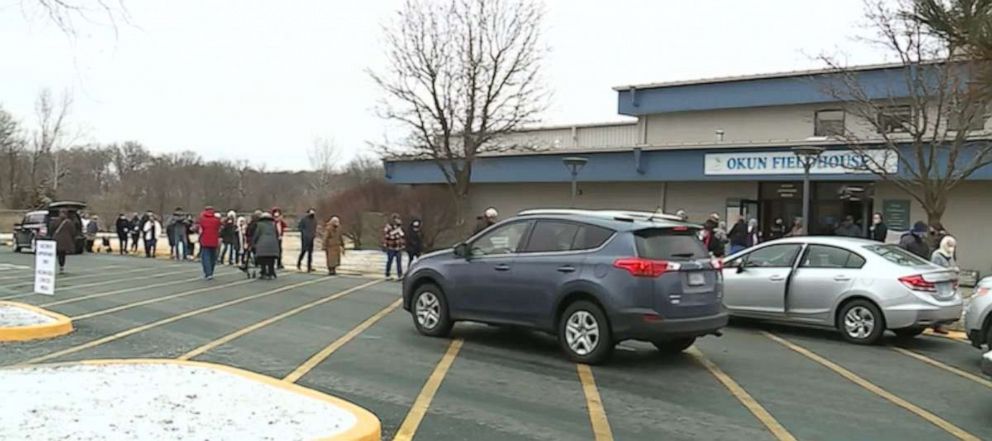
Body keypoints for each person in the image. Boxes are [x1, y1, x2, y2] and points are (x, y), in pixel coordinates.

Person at [929, 235, 958, 335]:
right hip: (940, 283)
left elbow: (953, 265)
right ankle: (936, 325)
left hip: (949, 283)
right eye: (949, 245)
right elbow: (936, 269)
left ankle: (939, 324)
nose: (951, 247)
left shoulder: (950, 255)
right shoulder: (937, 255)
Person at [197, 206, 223, 280]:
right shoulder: (216, 220)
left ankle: (207, 273)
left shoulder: (202, 219)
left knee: (205, 257)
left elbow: (200, 230)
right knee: (212, 257)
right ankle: (211, 272)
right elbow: (220, 228)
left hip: (205, 240)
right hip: (214, 240)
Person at [252, 212, 280, 280]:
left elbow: (257, 234)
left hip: (262, 244)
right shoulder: (274, 225)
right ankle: (271, 272)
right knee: (271, 260)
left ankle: (263, 272)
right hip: (273, 244)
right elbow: (277, 234)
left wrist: (253, 243)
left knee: (263, 260)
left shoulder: (260, 225)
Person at [50, 209, 78, 274]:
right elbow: (73, 232)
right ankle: (61, 266)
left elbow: (51, 229)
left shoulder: (55, 221)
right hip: (66, 241)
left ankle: (56, 265)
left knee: (56, 253)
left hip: (56, 240)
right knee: (62, 254)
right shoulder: (69, 222)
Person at [383, 213, 406, 279]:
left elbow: (402, 236)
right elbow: (387, 236)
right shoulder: (388, 227)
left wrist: (402, 244)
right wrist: (395, 232)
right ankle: (387, 274)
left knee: (399, 261)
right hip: (391, 247)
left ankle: (400, 274)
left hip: (398, 247)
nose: (398, 220)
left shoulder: (399, 228)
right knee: (390, 260)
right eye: (396, 219)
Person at [297, 208, 318, 272]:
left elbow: (315, 228)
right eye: (311, 213)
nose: (312, 214)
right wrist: (304, 234)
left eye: (313, 213)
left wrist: (314, 234)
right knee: (303, 251)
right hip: (305, 238)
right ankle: (299, 263)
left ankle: (309, 267)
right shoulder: (304, 220)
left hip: (311, 238)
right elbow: (299, 227)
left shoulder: (315, 220)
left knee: (310, 253)